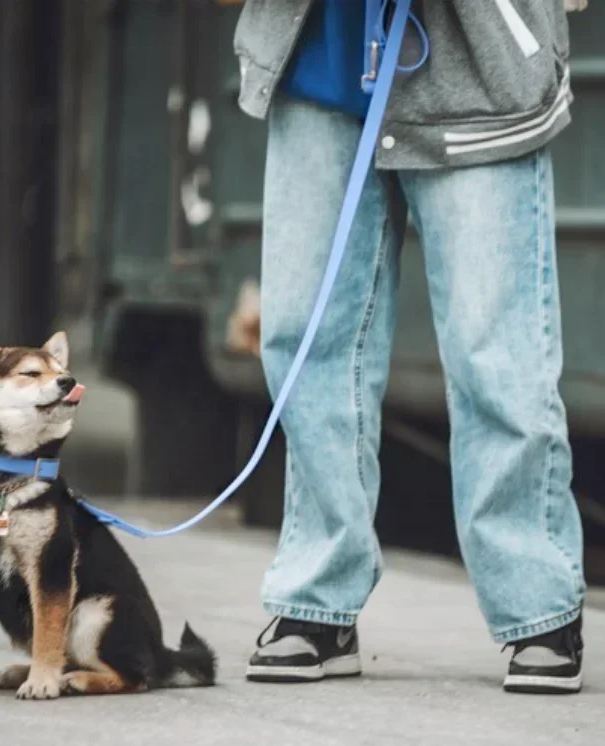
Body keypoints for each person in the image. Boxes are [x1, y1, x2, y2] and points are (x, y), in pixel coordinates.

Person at [233, 0, 589, 693]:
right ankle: (318, 600)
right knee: (307, 340)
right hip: (318, 61)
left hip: (480, 70)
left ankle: (536, 601)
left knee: (496, 351)